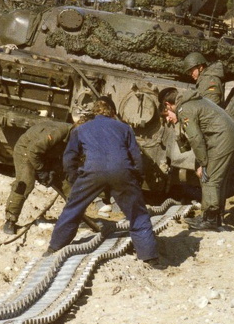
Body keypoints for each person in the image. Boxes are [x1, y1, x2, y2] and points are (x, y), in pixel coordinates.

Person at [47, 99, 159, 266]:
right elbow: (137, 158)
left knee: (73, 209)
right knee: (138, 214)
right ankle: (150, 257)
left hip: (93, 171)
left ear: (94, 112)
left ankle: (54, 247)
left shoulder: (82, 128)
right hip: (122, 171)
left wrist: (75, 179)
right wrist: (136, 180)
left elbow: (69, 157)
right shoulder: (124, 128)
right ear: (113, 112)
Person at [159, 87, 234, 231]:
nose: (168, 119)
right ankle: (214, 217)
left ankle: (210, 220)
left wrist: (203, 164)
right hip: (229, 139)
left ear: (168, 105)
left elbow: (196, 139)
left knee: (209, 178)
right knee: (217, 179)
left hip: (222, 140)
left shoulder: (184, 109)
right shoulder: (194, 101)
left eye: (166, 114)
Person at [3, 120, 71, 234]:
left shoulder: (78, 136)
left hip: (45, 154)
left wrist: (53, 171)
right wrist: (41, 171)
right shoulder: (59, 132)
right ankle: (10, 219)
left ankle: (76, 214)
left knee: (66, 184)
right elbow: (33, 151)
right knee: (25, 184)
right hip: (27, 151)